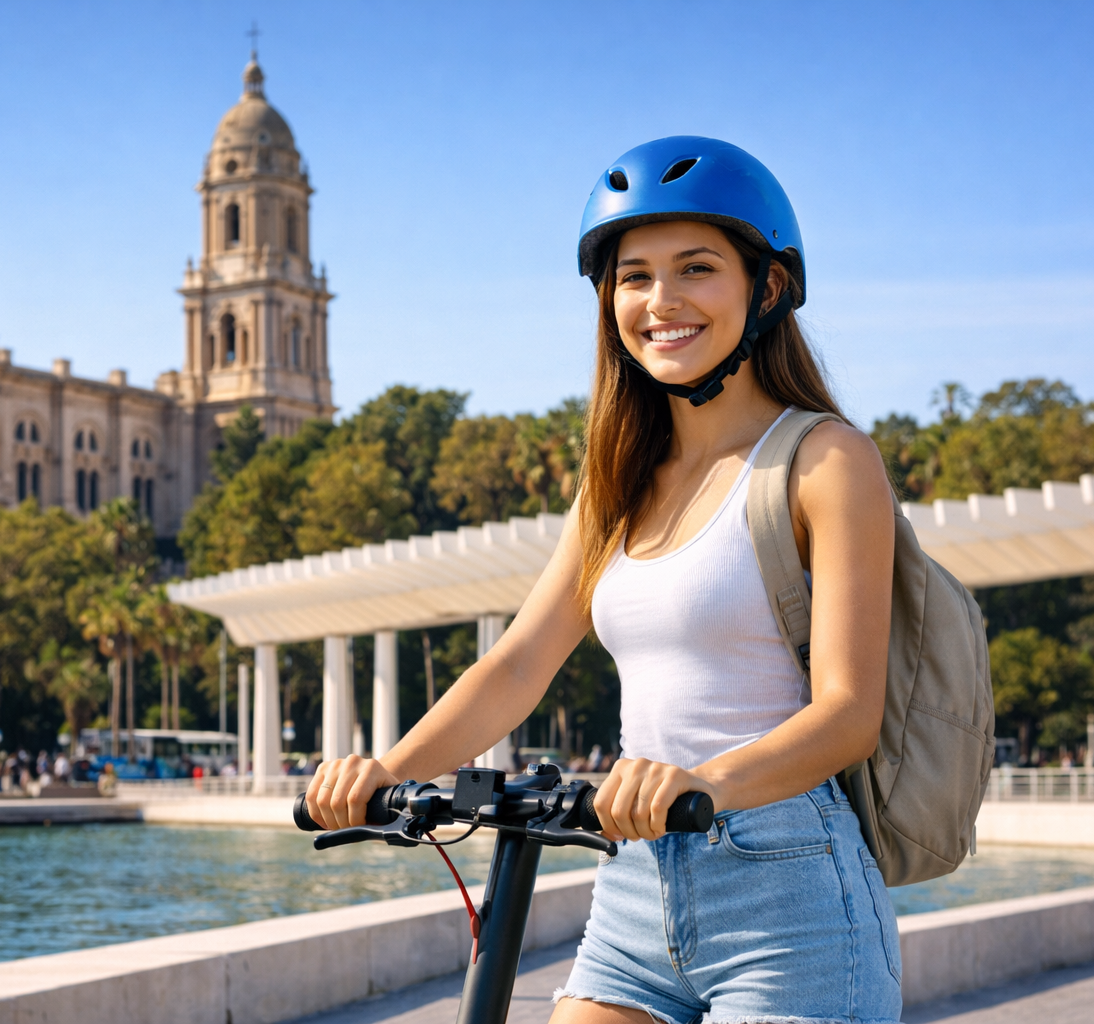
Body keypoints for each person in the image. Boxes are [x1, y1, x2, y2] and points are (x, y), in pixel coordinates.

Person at [306, 138, 902, 1024]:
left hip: (788, 892)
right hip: (633, 888)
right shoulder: (617, 477)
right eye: (634, 276)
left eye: (696, 269)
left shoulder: (824, 460)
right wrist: (383, 776)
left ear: (766, 288)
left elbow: (848, 714)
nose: (661, 302)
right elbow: (515, 666)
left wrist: (705, 785)